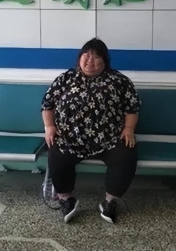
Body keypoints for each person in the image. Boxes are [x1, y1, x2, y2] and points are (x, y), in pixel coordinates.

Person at [41, 38, 141, 224]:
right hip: (70, 138)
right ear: (79, 58)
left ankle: (110, 201)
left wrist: (129, 129)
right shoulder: (65, 79)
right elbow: (48, 104)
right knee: (57, 150)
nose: (90, 61)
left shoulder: (119, 81)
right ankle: (66, 199)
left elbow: (132, 108)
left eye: (96, 57)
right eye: (86, 56)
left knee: (126, 153)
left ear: (105, 61)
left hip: (109, 138)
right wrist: (49, 126)